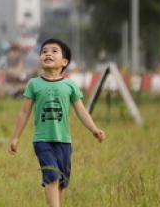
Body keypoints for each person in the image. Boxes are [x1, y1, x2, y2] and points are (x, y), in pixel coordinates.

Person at [9, 38, 106, 207]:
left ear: (64, 61)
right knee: (52, 178)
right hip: (42, 140)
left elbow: (81, 111)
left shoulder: (70, 85)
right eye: (44, 51)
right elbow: (24, 112)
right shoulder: (34, 84)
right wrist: (16, 137)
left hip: (64, 142)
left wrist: (94, 129)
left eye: (54, 51)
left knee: (61, 182)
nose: (48, 54)